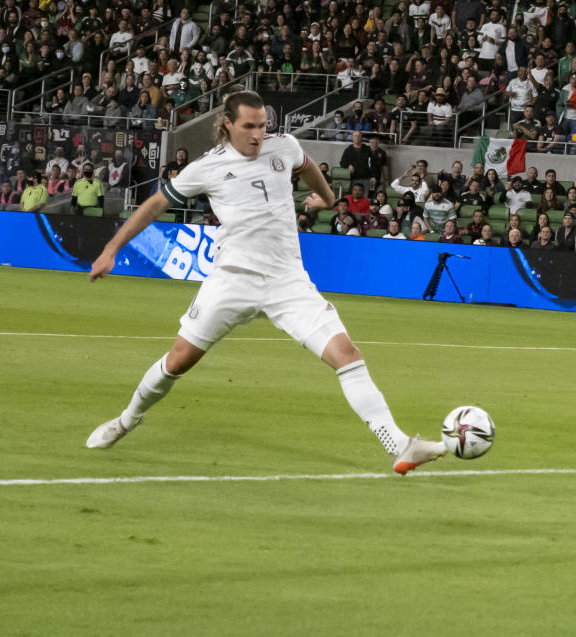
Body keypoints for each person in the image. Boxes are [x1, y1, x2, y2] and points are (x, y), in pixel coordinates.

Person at [83, 91, 445, 475]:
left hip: (288, 281)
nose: (258, 135)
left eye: (262, 126)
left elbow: (307, 168)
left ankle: (399, 444)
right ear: (228, 125)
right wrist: (111, 249)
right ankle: (126, 420)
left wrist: (325, 197)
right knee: (178, 361)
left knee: (347, 355)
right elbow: (154, 205)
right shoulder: (207, 167)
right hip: (232, 280)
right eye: (249, 127)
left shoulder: (284, 147)